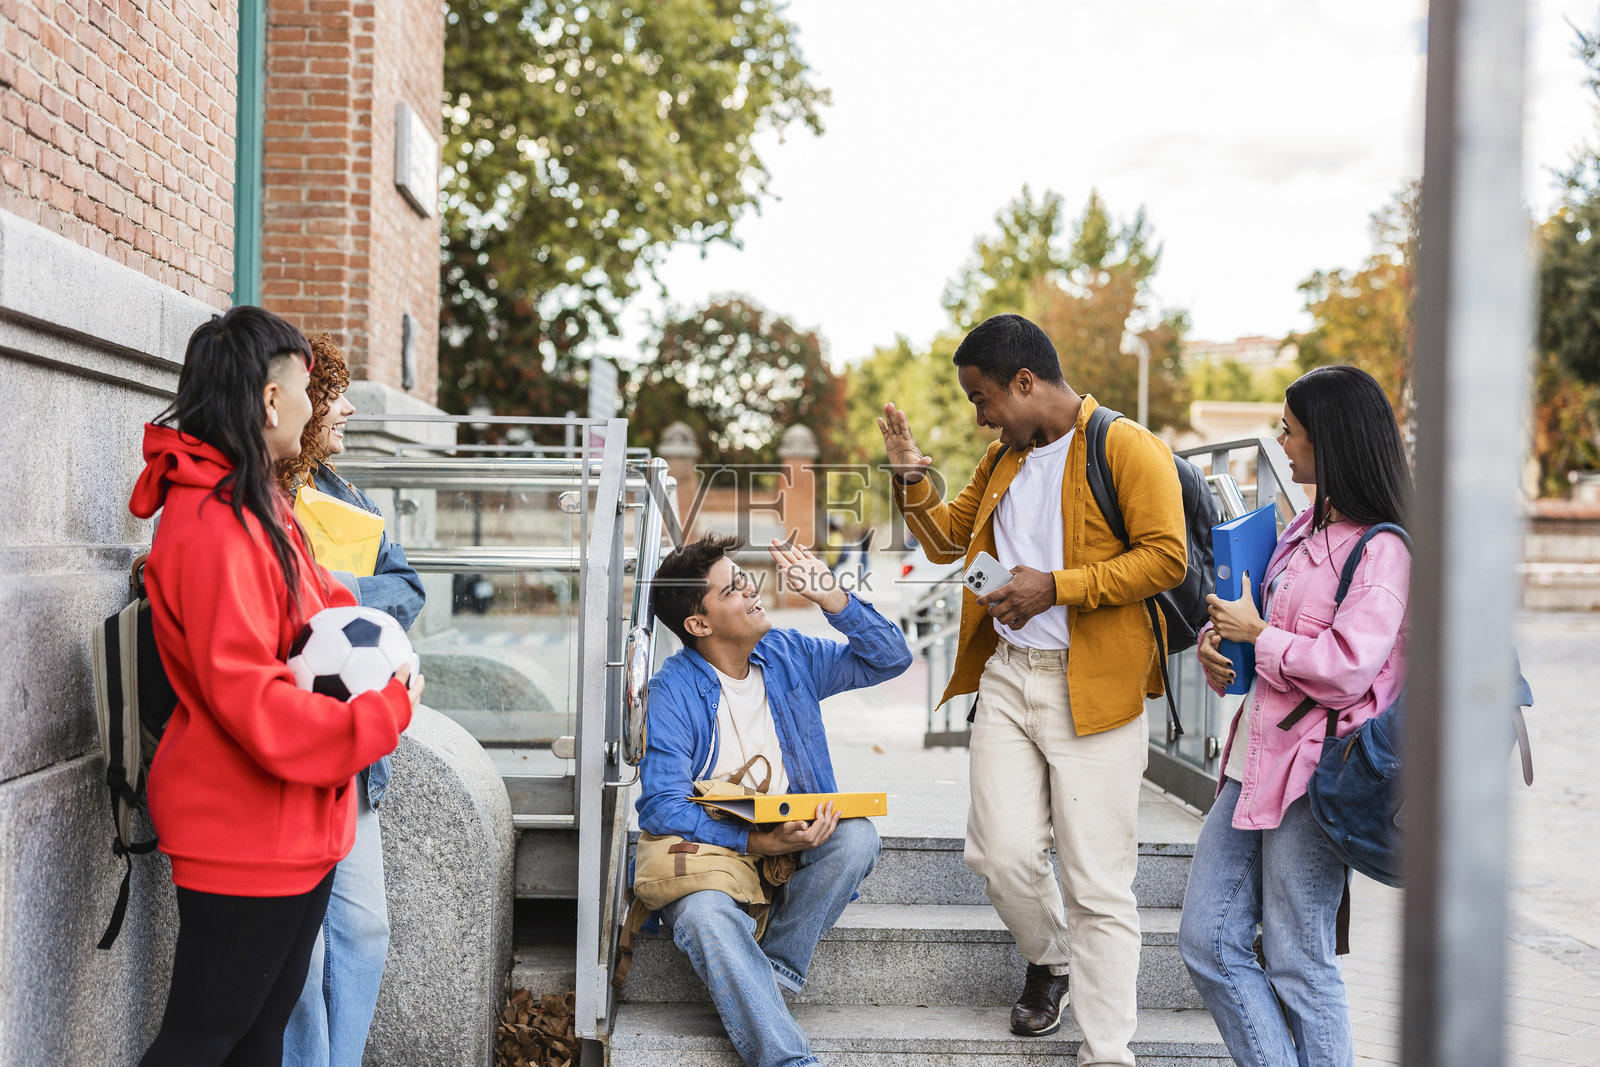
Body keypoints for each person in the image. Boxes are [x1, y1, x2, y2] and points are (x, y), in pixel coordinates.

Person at [878, 313, 1186, 1066]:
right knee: (999, 853)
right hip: (1010, 675)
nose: (981, 416)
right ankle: (1052, 958)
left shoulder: (1126, 446)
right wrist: (912, 476)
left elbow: (1166, 558)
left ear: (1024, 381)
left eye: (982, 398)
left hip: (1096, 689)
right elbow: (948, 543)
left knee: (1098, 884)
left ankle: (1107, 1052)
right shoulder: (1002, 458)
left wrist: (1055, 586)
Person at [131, 306, 421, 1066]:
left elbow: (317, 599)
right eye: (303, 387)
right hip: (243, 832)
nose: (312, 404)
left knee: (258, 1039)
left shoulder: (253, 501)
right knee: (202, 1039)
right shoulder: (214, 522)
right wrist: (383, 713)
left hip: (290, 827)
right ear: (268, 400)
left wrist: (385, 652)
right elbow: (253, 701)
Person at [1178, 364, 1411, 1067]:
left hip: (1317, 773)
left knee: (1298, 960)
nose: (1281, 440)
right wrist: (1217, 645)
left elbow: (1347, 667)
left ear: (1330, 439)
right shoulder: (1304, 527)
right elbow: (1262, 622)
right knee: (1206, 940)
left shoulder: (1384, 549)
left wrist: (1259, 637)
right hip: (1252, 762)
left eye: (1290, 429)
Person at [637, 534, 912, 1067]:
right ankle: (788, 1059)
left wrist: (833, 598)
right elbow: (661, 806)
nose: (751, 589)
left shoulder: (788, 654)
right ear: (699, 625)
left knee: (856, 837)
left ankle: (772, 978)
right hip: (713, 855)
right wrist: (754, 840)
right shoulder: (672, 690)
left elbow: (890, 660)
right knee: (704, 918)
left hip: (791, 841)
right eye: (732, 589)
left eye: (745, 578)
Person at [278, 334, 426, 1067]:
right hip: (285, 745)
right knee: (298, 955)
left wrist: (333, 596)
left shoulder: (348, 498)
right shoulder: (258, 497)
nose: (349, 409)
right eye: (335, 395)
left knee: (365, 928)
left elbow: (408, 588)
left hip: (357, 758)